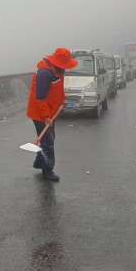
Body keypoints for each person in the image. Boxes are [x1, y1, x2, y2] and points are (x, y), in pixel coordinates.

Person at [26, 48, 78, 183]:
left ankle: (39, 162)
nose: (65, 68)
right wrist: (46, 116)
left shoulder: (58, 71)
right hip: (40, 113)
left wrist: (62, 100)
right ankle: (47, 170)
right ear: (57, 63)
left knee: (48, 138)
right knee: (48, 142)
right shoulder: (44, 74)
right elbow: (40, 98)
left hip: (51, 111)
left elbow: (58, 90)